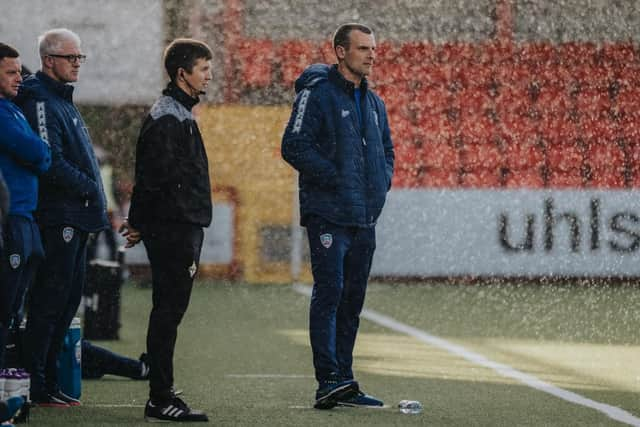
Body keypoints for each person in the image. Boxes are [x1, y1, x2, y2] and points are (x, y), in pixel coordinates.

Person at [281, 23, 394, 410]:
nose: (372, 54)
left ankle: (344, 381)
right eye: (363, 48)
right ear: (341, 52)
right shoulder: (317, 94)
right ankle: (327, 379)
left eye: (374, 48)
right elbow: (293, 146)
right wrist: (337, 179)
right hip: (328, 216)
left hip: (364, 218)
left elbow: (387, 152)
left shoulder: (374, 102)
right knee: (329, 295)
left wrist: (380, 185)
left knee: (352, 302)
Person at [119, 38, 213, 422]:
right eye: (204, 68)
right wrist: (139, 222)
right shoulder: (167, 117)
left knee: (169, 311)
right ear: (182, 74)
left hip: (180, 225)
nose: (209, 74)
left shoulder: (180, 113)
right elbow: (151, 179)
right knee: (167, 312)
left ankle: (163, 390)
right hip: (173, 229)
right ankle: (160, 397)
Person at [15, 28, 109, 407]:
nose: (77, 64)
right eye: (71, 58)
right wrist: (89, 186)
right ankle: (37, 385)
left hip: (78, 218)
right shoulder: (39, 98)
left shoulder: (62, 101)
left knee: (66, 305)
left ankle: (51, 382)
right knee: (48, 305)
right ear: (48, 60)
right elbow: (49, 160)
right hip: (60, 218)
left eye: (79, 58)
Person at [0, 43, 51, 375]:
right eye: (10, 72)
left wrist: (40, 153)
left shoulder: (13, 109)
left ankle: (10, 386)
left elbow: (40, 155)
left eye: (20, 71)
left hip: (26, 218)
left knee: (16, 309)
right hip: (10, 220)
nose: (20, 78)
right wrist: (40, 152)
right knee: (4, 308)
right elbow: (36, 152)